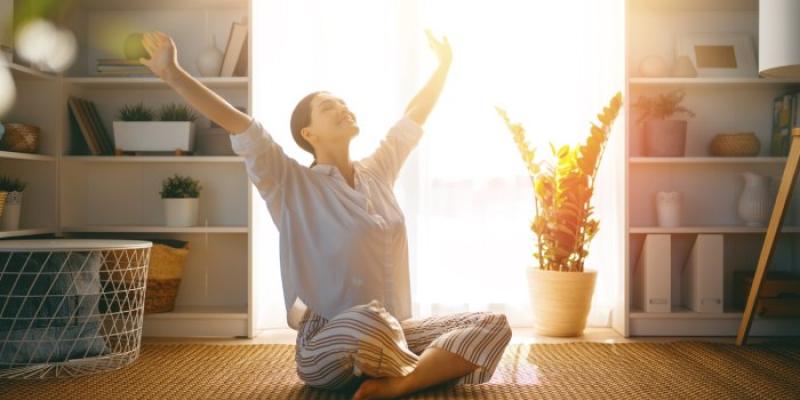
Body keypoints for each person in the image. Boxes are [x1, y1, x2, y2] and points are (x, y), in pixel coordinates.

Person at [139, 30, 511, 400]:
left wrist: (443, 66)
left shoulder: (378, 172)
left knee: (492, 324)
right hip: (328, 342)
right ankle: (430, 367)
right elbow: (240, 124)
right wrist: (173, 73)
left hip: (394, 332)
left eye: (344, 103)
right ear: (308, 133)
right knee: (371, 319)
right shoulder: (289, 183)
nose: (342, 108)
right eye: (328, 107)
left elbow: (412, 119)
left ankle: (400, 383)